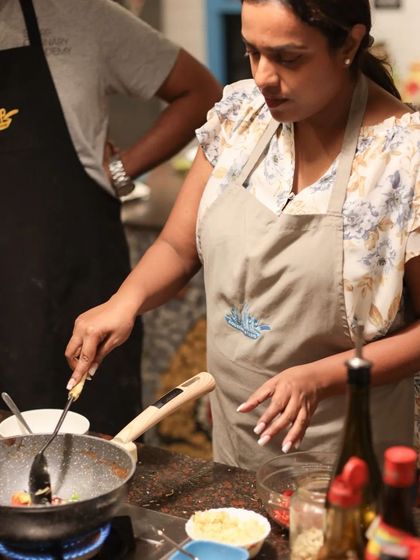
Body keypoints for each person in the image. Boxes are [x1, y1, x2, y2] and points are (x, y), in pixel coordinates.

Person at [65, 0, 420, 470]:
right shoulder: (241, 115)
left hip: (346, 451)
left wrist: (321, 378)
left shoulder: (403, 159)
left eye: (288, 58)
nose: (264, 77)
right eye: (252, 52)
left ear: (350, 44)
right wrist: (124, 302)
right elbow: (178, 245)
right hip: (235, 432)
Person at [0, 0, 222, 435]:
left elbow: (200, 91)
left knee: (92, 452)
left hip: (69, 294)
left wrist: (120, 170)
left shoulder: (81, 16)